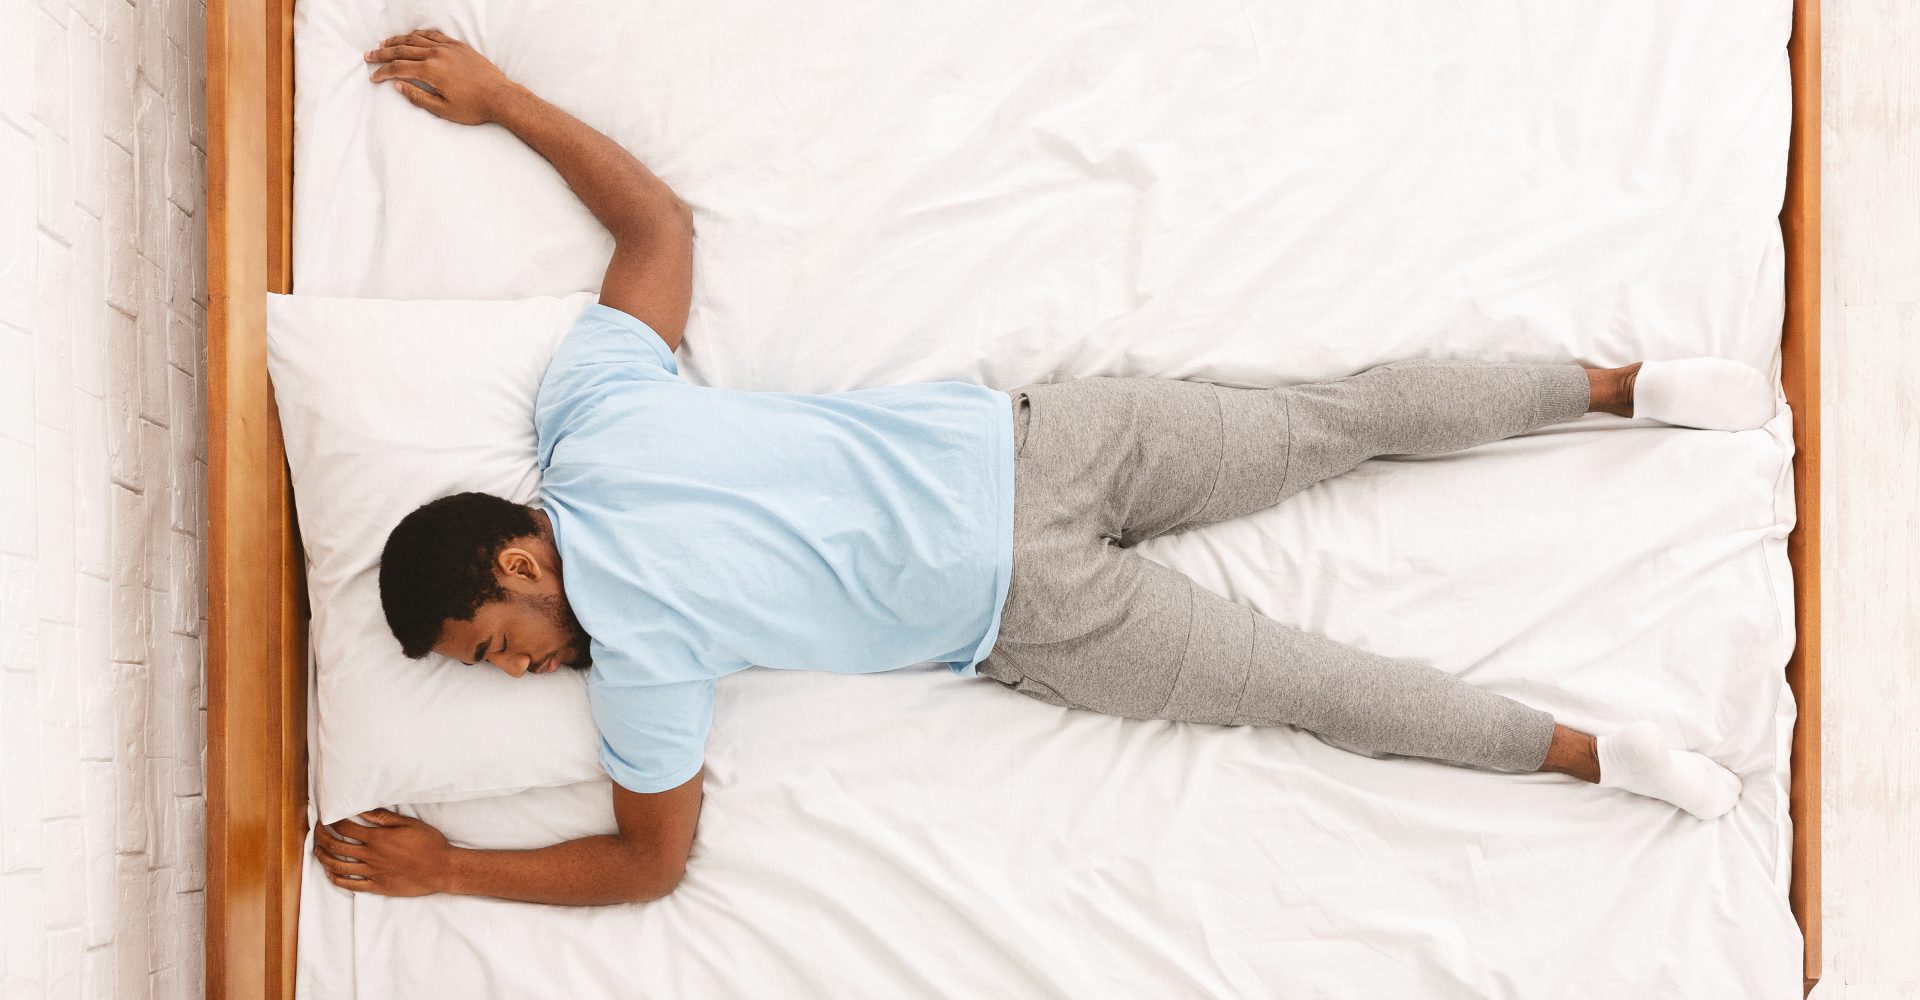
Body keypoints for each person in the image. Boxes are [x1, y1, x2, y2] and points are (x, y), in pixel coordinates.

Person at [312, 30, 1776, 906]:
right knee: (1314, 673)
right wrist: (508, 101)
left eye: (496, 647)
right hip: (1033, 596)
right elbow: (661, 237)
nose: (517, 675)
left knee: (1337, 428)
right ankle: (1592, 736)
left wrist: (456, 871)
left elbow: (654, 235)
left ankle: (1617, 391)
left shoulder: (598, 472)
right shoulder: (620, 581)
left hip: (1046, 455)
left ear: (519, 558)